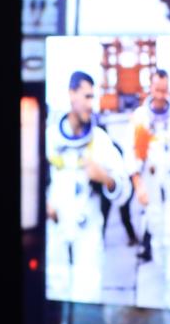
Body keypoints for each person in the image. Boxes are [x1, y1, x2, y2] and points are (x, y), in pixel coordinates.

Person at [46, 70, 128, 303]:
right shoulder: (49, 138)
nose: (91, 104)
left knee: (87, 296)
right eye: (87, 96)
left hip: (88, 231)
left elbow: (123, 191)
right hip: (55, 229)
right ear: (71, 94)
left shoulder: (99, 140)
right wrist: (43, 204)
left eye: (93, 97)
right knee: (54, 293)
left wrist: (105, 178)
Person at [127, 69, 170, 309]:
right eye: (157, 89)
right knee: (156, 234)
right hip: (151, 182)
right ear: (150, 88)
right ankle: (163, 277)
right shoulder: (139, 118)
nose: (161, 94)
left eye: (165, 90)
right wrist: (138, 186)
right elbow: (131, 154)